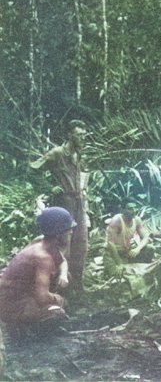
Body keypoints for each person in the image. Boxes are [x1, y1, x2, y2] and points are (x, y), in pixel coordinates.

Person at [30, 119, 89, 292]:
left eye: (84, 135)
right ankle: (58, 286)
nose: (82, 138)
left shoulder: (78, 155)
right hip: (63, 204)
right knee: (64, 244)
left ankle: (78, 285)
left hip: (78, 202)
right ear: (69, 135)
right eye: (79, 135)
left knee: (81, 243)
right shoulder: (56, 153)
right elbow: (33, 170)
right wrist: (49, 188)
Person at [0, 207, 72, 331]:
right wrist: (59, 300)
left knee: (67, 277)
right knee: (56, 314)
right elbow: (42, 297)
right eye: (68, 230)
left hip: (22, 295)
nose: (71, 232)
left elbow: (62, 261)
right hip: (11, 305)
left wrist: (63, 274)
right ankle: (22, 330)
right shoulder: (42, 257)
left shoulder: (43, 244)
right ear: (59, 233)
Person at [104, 203, 152, 277]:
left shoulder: (137, 220)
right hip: (114, 253)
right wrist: (119, 263)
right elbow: (110, 243)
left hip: (127, 251)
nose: (134, 210)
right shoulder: (116, 220)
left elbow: (145, 238)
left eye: (135, 208)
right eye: (130, 209)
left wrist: (137, 249)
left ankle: (144, 271)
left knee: (150, 249)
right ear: (123, 210)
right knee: (118, 275)